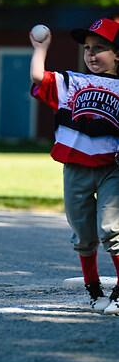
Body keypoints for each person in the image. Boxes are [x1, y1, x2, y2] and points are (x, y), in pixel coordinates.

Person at [29, 18, 119, 315]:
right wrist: (40, 49)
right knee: (83, 233)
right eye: (88, 48)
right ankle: (94, 289)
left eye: (101, 48)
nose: (91, 54)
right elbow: (39, 78)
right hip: (76, 167)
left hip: (112, 168)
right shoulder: (72, 82)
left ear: (118, 54)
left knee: (111, 229)